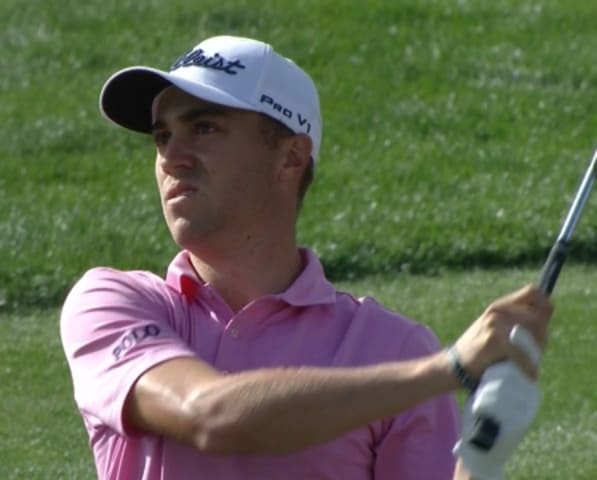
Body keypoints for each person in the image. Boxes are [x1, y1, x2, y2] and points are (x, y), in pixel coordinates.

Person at [60, 35, 552, 480]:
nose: (172, 157)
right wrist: (445, 371)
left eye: (204, 128)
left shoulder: (392, 348)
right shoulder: (113, 302)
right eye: (162, 136)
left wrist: (482, 462)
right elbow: (208, 415)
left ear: (291, 157)